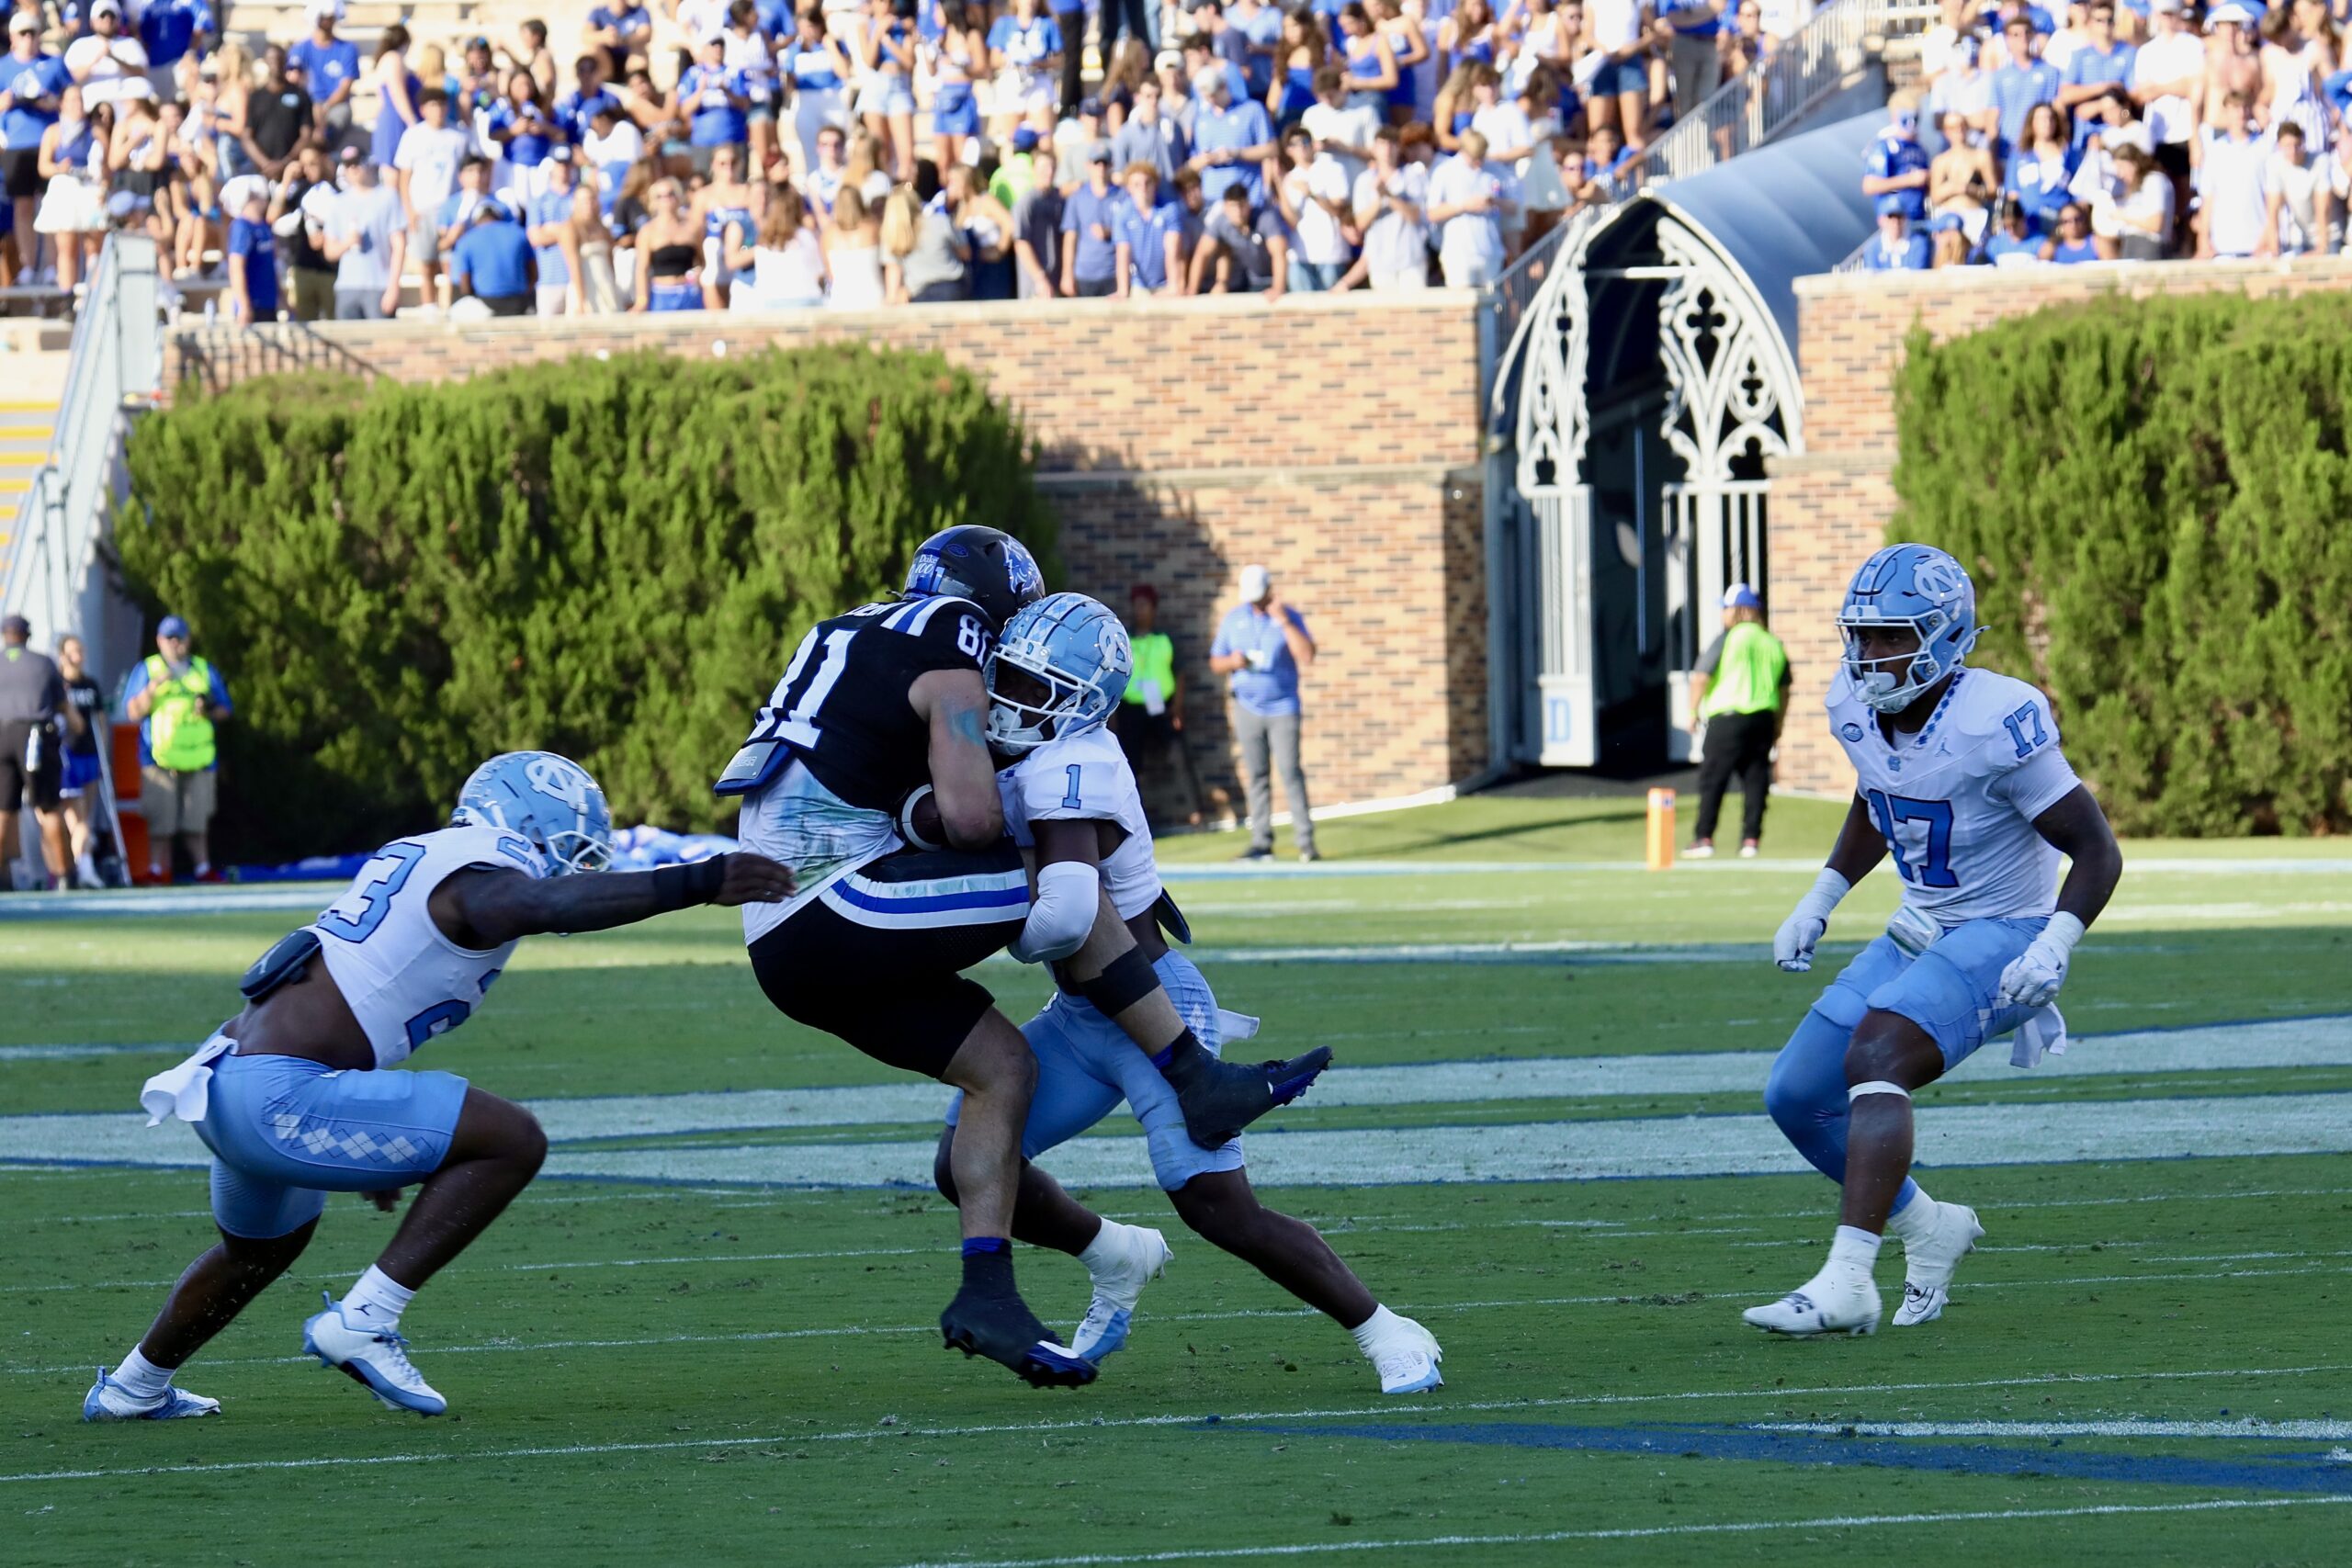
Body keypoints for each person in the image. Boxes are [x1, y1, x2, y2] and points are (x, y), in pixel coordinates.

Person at [722, 527, 1326, 1387]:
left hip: (785, 933)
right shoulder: (955, 631)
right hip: (837, 902)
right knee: (1064, 882)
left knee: (1001, 1065)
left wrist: (912, 814)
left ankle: (989, 1292)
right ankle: (1194, 1071)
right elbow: (970, 821)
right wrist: (969, 809)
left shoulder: (849, 626)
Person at [82, 751, 796, 1421]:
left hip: (224, 1082)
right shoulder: (485, 869)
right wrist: (696, 880)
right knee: (512, 1140)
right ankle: (364, 1320)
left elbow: (356, 994)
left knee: (260, 1249)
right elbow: (540, 906)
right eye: (568, 840)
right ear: (527, 823)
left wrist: (361, 1129)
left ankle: (134, 1388)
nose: (574, 859)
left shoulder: (427, 852)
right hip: (278, 1096)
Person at [932, 592, 1440, 1395]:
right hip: (1079, 1016)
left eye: (1032, 689)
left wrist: (990, 925)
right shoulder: (1021, 751)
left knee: (1217, 1208)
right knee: (965, 1163)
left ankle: (1386, 1329)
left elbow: (1063, 919)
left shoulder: (1080, 761)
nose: (1008, 703)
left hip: (1154, 1008)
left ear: (1076, 703)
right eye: (1006, 681)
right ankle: (1115, 1254)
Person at [1745, 544, 2122, 1337]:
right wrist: (1821, 895)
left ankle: (1849, 1279)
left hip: (2007, 937)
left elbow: (2097, 849)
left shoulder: (1994, 721)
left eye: (1892, 637)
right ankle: (1930, 1227)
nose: (1871, 654)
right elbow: (1880, 794)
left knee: (1877, 1054)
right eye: (1864, 635)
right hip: (1920, 930)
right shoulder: (1851, 703)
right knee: (1795, 1093)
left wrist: (2056, 942)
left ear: (1946, 637)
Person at [1210, 563, 1317, 862]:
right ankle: (1261, 842)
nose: (1256, 604)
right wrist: (1233, 661)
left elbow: (1307, 655)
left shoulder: (1287, 617)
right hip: (1247, 707)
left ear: (1270, 591)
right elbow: (1216, 662)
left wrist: (1283, 621)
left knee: (1290, 772)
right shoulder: (1235, 620)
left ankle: (1306, 842)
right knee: (1257, 775)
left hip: (1283, 707)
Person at [121, 615, 230, 885]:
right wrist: (153, 689)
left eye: (179, 638)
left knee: (197, 820)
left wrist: (208, 708)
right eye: (169, 639)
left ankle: (203, 868)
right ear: (159, 641)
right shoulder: (148, 669)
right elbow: (133, 712)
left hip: (199, 758)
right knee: (161, 821)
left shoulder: (202, 669)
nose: (174, 644)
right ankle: (157, 870)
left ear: (187, 640)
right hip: (159, 759)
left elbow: (225, 709)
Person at [1684, 583, 1789, 860]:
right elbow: (1784, 688)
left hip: (1728, 718)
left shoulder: (1729, 638)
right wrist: (1779, 724)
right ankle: (1750, 840)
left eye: (1726, 608)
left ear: (1740, 610)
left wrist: (1692, 711)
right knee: (1755, 780)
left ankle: (1703, 837)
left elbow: (1701, 676)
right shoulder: (1772, 642)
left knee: (1713, 780)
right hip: (1763, 719)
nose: (1723, 613)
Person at [1111, 583, 1204, 826]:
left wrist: (1178, 707)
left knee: (1177, 755)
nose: (1139, 610)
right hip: (1132, 709)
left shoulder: (1165, 639)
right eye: (1136, 605)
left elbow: (1179, 672)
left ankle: (1195, 812)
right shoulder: (1125, 639)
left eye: (1144, 605)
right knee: (1132, 764)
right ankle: (1135, 818)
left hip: (1162, 707)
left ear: (1154, 608)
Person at [0, 613, 66, 890]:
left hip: (2, 735)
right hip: (33, 737)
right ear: (27, 635)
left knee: (3, 809)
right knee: (48, 806)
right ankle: (64, 874)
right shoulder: (42, 662)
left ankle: (4, 878)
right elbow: (62, 705)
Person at [393, 87, 469, 310]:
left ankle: (452, 306)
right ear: (423, 109)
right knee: (426, 263)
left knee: (450, 264)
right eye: (433, 105)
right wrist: (409, 210)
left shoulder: (458, 136)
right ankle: (430, 307)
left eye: (442, 105)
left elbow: (467, 172)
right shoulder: (413, 136)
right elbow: (404, 177)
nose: (439, 110)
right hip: (422, 209)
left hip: (450, 210)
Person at [320, 146, 404, 319]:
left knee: (382, 343)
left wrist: (393, 286)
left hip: (379, 284)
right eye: (348, 165)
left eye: (357, 164)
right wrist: (348, 243)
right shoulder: (338, 203)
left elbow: (399, 245)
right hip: (347, 285)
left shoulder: (387, 197)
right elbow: (329, 252)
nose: (353, 169)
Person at [54, 633, 108, 887]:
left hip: (89, 754)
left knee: (85, 814)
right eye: (74, 651)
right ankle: (76, 867)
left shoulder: (90, 684)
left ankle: (82, 864)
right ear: (63, 655)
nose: (79, 656)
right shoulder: (57, 684)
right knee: (74, 818)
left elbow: (99, 720)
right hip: (67, 755)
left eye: (81, 651)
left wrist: (103, 753)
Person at [450, 197, 536, 313]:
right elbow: (534, 273)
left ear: (476, 220)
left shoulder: (466, 240)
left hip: (486, 302)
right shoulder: (519, 233)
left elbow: (465, 286)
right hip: (520, 302)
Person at [224, 176, 277, 323]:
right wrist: (244, 305)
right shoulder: (242, 226)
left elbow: (272, 268)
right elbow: (236, 267)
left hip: (268, 303)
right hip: (253, 305)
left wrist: (282, 299)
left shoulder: (264, 227)